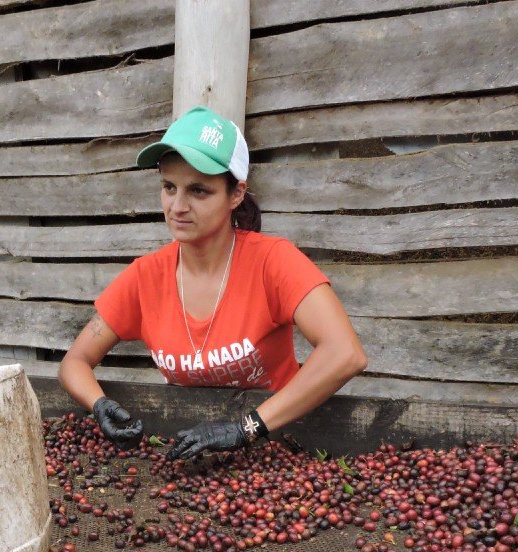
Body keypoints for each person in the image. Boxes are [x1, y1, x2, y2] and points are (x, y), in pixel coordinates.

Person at [58, 106, 367, 461]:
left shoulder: (272, 262)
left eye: (199, 191)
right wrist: (98, 403)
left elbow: (346, 353)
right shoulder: (146, 277)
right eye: (169, 187)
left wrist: (245, 429)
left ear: (236, 194)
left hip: (277, 449)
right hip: (189, 454)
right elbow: (74, 362)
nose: (177, 206)